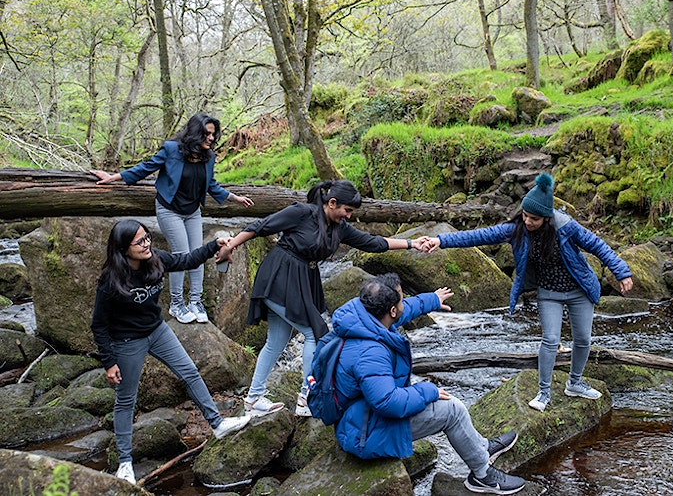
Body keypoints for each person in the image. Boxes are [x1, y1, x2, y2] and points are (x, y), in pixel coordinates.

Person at [421, 173, 633, 413]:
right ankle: (543, 392)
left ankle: (575, 383)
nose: (528, 221)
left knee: (583, 339)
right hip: (549, 292)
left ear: (547, 217)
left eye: (534, 218)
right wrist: (440, 240)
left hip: (578, 290)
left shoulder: (566, 227)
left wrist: (622, 272)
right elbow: (477, 236)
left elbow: (598, 245)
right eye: (525, 215)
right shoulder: (516, 230)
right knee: (551, 340)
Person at [216, 179, 425, 418]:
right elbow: (261, 226)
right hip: (279, 276)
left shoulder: (339, 228)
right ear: (332, 203)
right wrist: (229, 246)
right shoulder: (302, 212)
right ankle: (307, 397)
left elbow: (373, 242)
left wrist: (411, 244)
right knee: (315, 332)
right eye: (347, 210)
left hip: (301, 280)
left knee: (277, 340)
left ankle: (253, 399)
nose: (348, 215)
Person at [331, 273, 526, 495]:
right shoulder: (370, 352)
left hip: (358, 418)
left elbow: (404, 311)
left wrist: (431, 300)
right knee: (452, 410)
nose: (404, 304)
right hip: (365, 433)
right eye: (401, 300)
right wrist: (426, 390)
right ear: (392, 310)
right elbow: (388, 402)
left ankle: (480, 447)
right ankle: (482, 476)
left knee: (447, 401)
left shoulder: (362, 319)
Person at [90, 219, 252, 485]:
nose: (146, 245)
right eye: (139, 241)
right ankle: (125, 464)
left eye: (147, 238)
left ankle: (217, 424)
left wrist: (214, 245)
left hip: (158, 330)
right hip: (127, 341)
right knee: (126, 399)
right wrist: (109, 362)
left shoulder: (156, 259)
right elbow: (99, 325)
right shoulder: (111, 281)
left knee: (189, 372)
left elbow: (186, 261)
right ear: (123, 248)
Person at [91, 113, 254, 324]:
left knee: (197, 255)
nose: (211, 138)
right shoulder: (171, 150)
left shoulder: (208, 157)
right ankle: (177, 304)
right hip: (169, 210)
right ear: (195, 133)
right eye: (207, 134)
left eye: (213, 135)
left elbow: (210, 185)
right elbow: (145, 168)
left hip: (192, 211)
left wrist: (235, 199)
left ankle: (196, 301)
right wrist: (113, 177)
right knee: (181, 255)